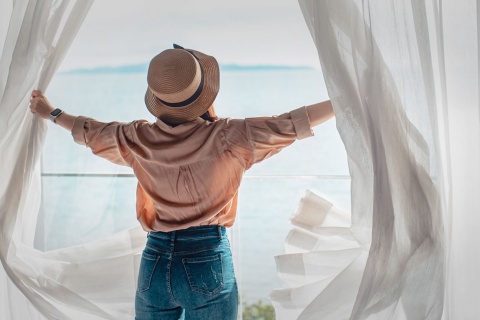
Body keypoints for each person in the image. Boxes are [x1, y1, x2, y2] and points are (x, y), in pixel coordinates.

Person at [29, 44, 334, 320]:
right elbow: (293, 123)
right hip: (208, 260)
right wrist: (344, 100)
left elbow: (89, 131)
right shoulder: (230, 136)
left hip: (155, 262)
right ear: (203, 94)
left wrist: (51, 112)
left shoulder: (136, 138)